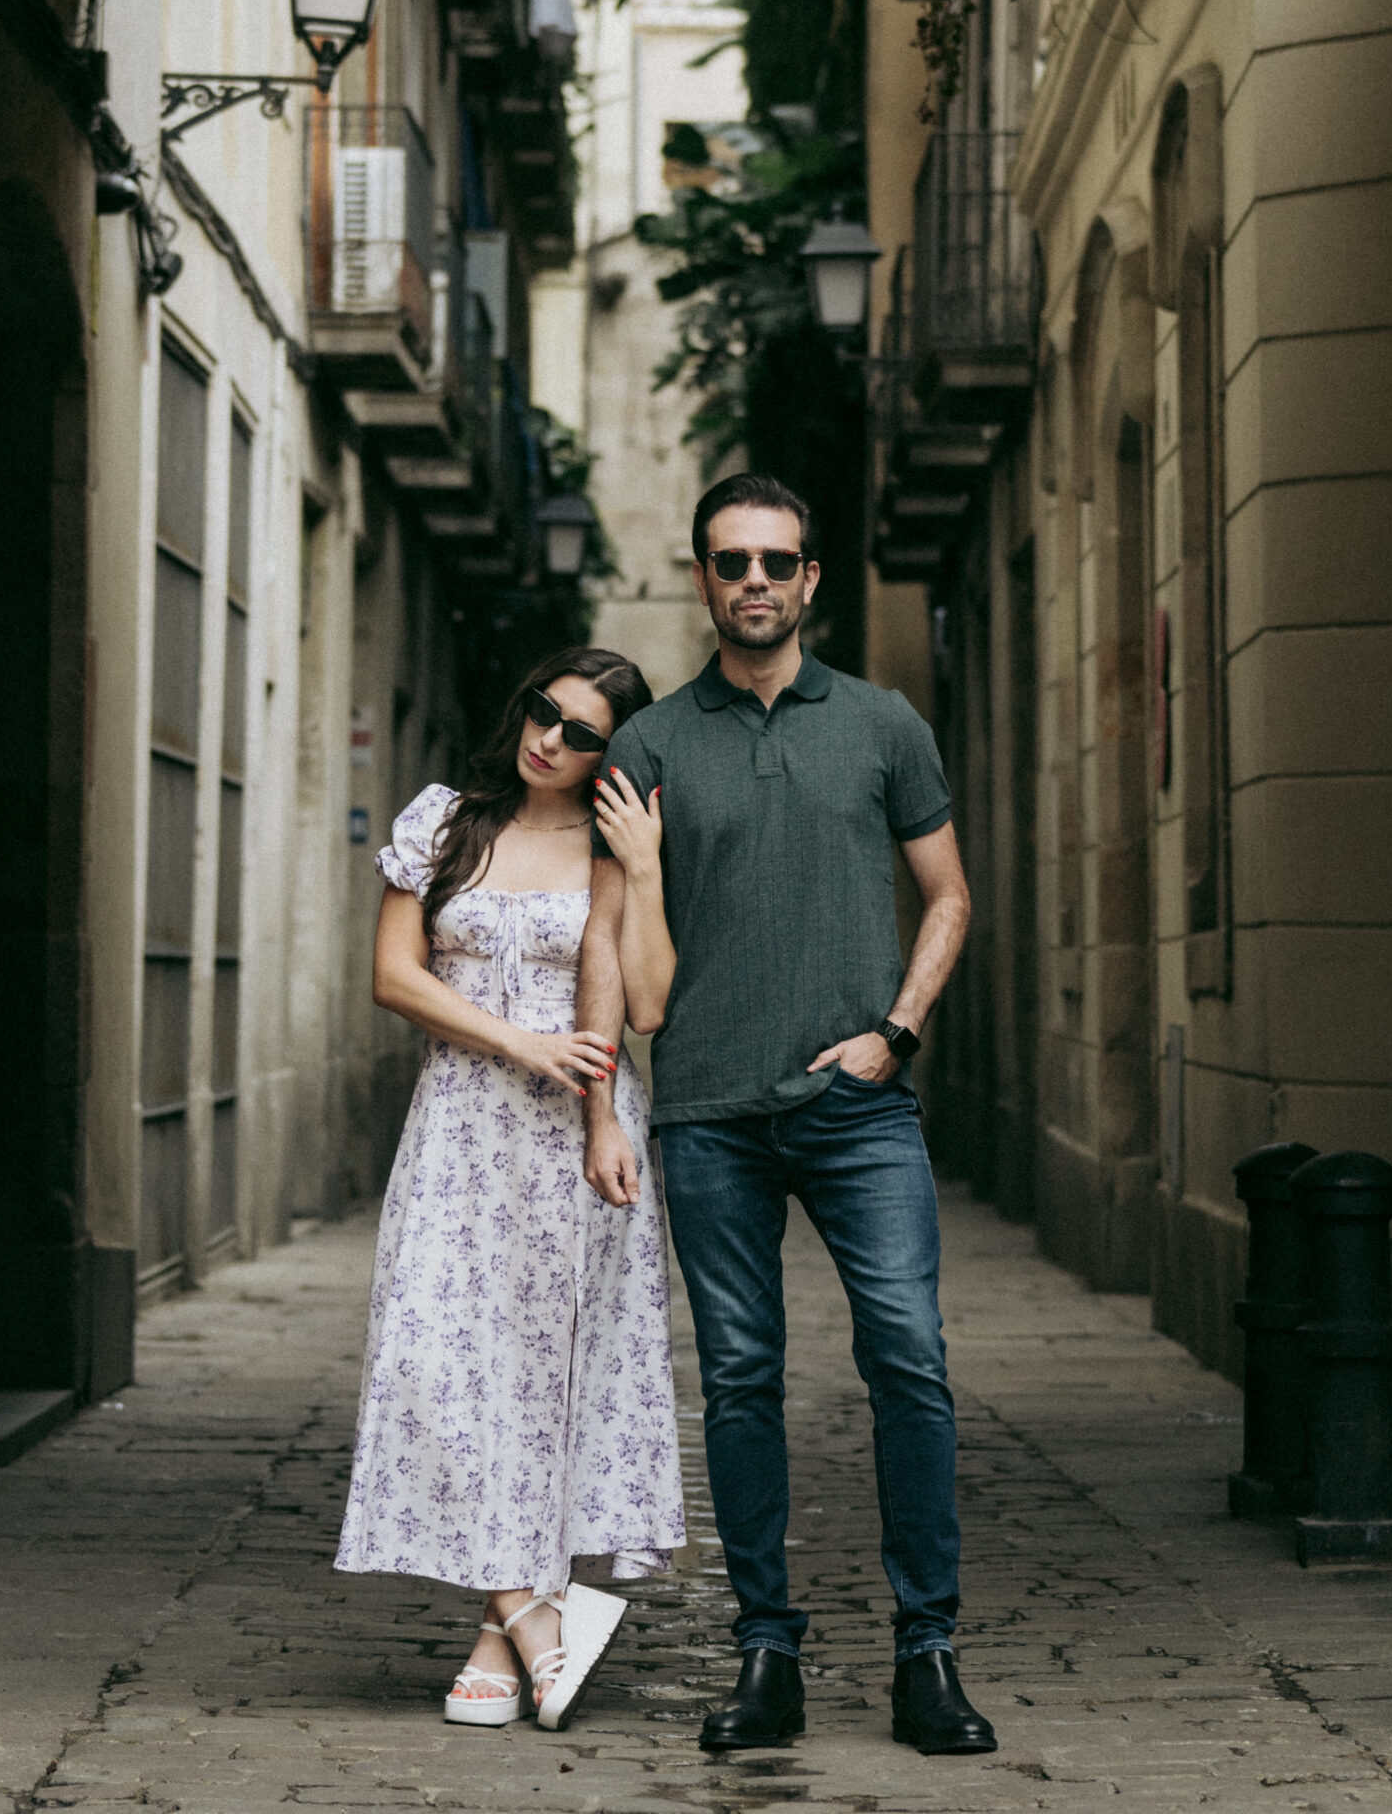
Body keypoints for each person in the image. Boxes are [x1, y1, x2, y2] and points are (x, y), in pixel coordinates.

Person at [580, 474, 998, 1759]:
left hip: (859, 1112)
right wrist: (606, 1100)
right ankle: (768, 1650)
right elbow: (616, 951)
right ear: (702, 579)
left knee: (910, 1362)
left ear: (812, 578)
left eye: (776, 559)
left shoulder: (881, 724)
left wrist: (898, 1032)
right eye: (729, 560)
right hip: (706, 1112)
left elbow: (948, 895)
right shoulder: (649, 747)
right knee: (743, 1382)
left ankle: (928, 1650)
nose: (753, 579)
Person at [335, 647, 685, 1733]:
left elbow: (652, 1006)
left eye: (583, 733)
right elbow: (395, 976)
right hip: (460, 1134)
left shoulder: (614, 845)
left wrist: (652, 866)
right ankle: (536, 1618)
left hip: (581, 1142)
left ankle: (497, 1636)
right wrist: (520, 1042)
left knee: (550, 1380)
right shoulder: (445, 821)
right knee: (437, 1364)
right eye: (545, 712)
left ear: (609, 755)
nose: (551, 739)